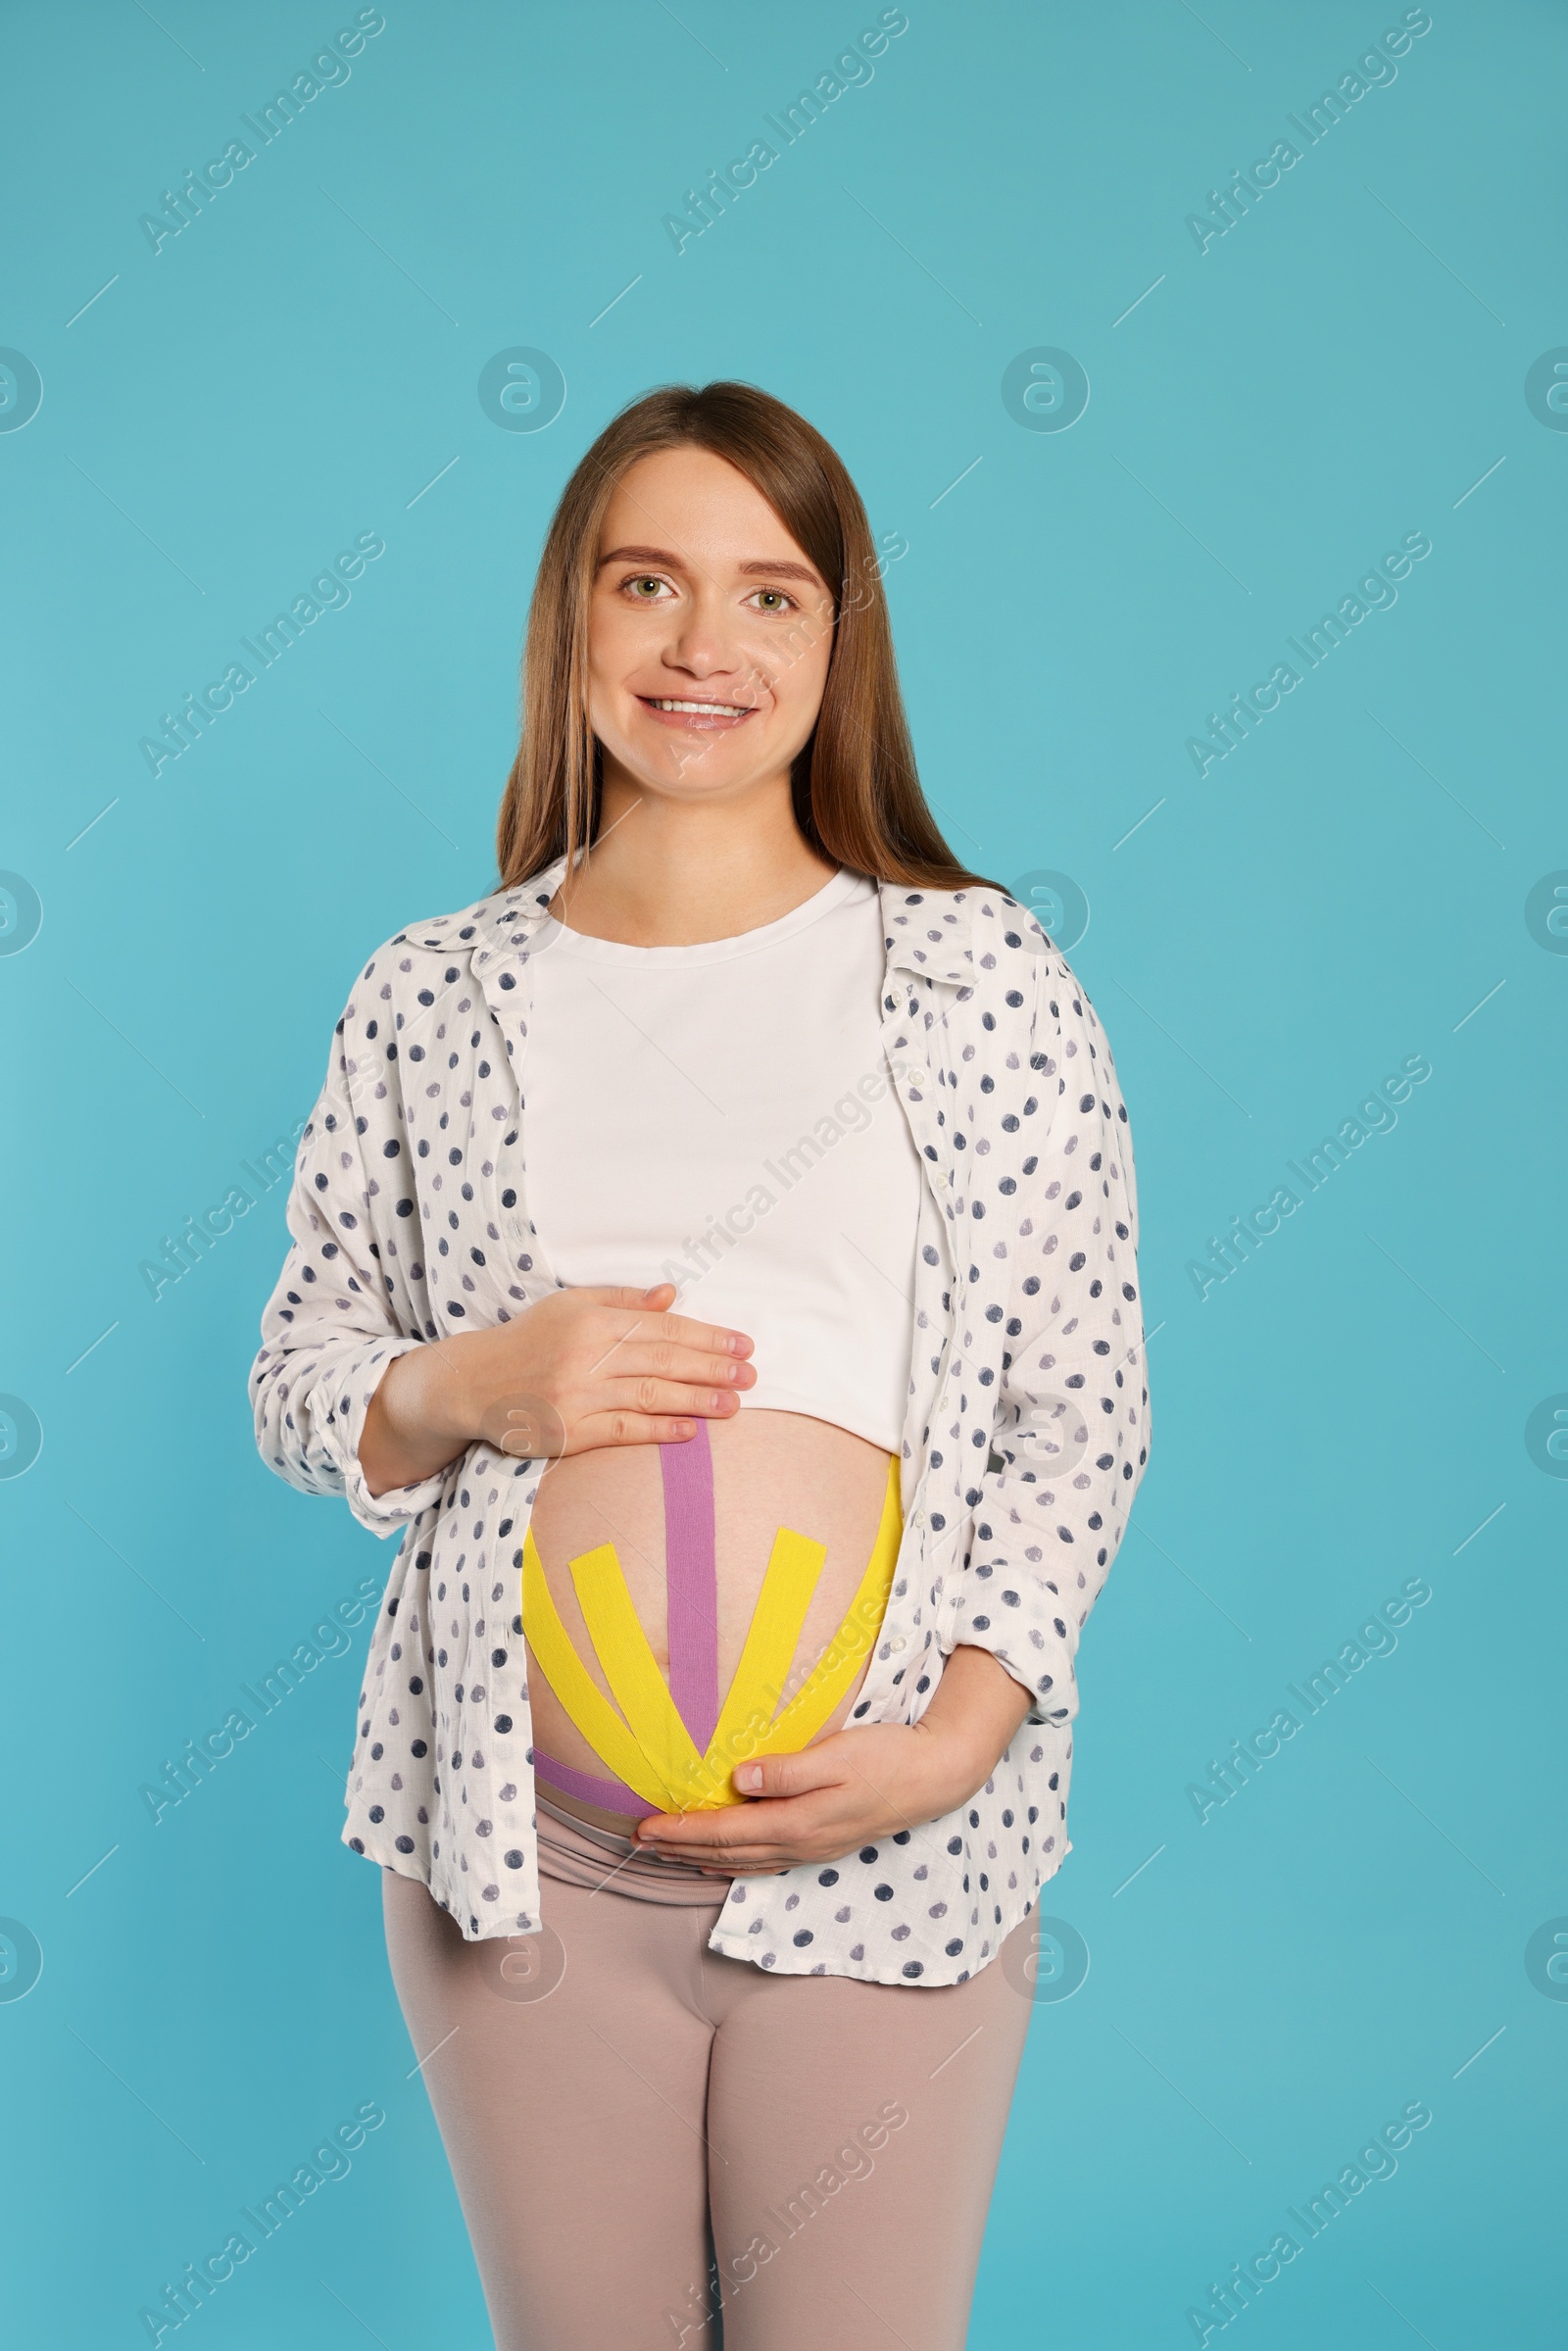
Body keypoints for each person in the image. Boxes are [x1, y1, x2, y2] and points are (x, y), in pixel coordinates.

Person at [250, 379, 1150, 2350]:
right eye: (645, 582)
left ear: (838, 646)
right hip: (519, 1859)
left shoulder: (976, 974)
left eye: (766, 596)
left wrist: (959, 1735)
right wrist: (482, 1380)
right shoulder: (434, 994)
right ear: (570, 612)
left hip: (889, 1833)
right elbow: (308, 1373)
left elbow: (1074, 1415)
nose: (698, 648)